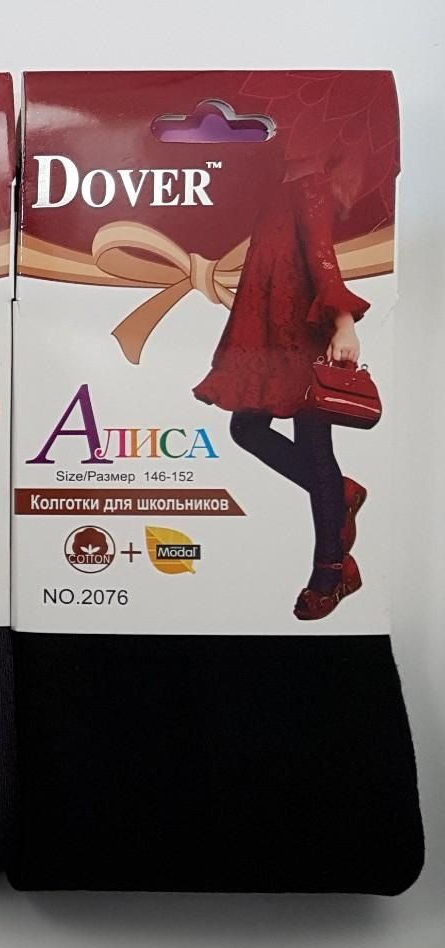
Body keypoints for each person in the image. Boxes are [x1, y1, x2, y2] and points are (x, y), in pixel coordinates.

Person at [193, 147, 372, 620]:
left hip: (303, 330)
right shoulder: (277, 184)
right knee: (246, 429)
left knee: (314, 447)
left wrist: (343, 323)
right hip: (269, 329)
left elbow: (321, 256)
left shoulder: (310, 184)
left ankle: (331, 572)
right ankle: (338, 492)